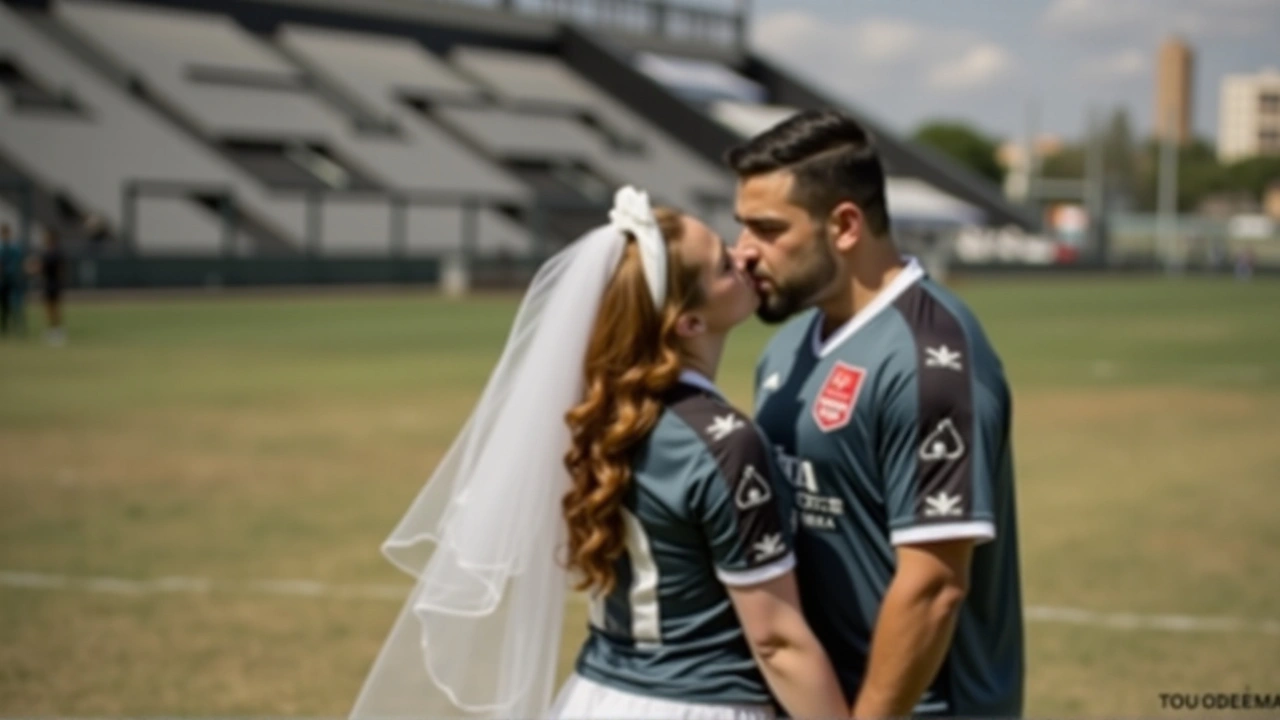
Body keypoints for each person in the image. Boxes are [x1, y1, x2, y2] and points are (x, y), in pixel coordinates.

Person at [349, 187, 847, 720]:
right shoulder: (722, 441)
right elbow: (776, 641)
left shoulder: (591, 419)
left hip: (595, 698)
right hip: (701, 704)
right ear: (690, 323)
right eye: (724, 264)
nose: (745, 257)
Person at [727, 109, 1025, 719]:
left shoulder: (930, 360)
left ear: (843, 225)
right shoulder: (787, 344)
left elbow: (934, 588)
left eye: (767, 229)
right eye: (741, 228)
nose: (744, 253)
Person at [28, 229, 66, 345]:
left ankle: (57, 331)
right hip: (49, 283)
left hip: (53, 283)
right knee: (49, 308)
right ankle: (53, 330)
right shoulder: (47, 253)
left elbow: (60, 270)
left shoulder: (55, 253)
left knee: (53, 308)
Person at [0, 223, 24, 336]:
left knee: (16, 302)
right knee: (4, 305)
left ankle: (18, 325)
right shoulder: (1, 248)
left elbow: (19, 262)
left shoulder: (15, 248)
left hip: (13, 279)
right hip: (3, 280)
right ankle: (5, 327)